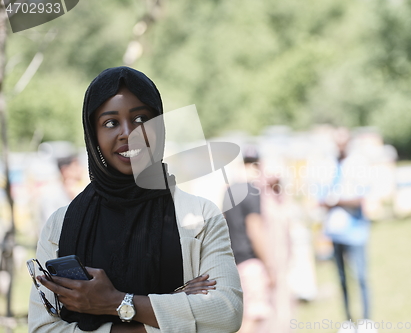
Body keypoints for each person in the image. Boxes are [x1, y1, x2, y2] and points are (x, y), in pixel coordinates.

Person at [28, 67, 243, 333]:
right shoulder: (61, 224)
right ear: (92, 134)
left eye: (141, 119)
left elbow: (225, 313)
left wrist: (114, 302)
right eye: (110, 123)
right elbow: (42, 328)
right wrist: (175, 308)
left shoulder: (199, 215)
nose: (128, 133)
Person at [318, 128, 373, 331]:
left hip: (356, 229)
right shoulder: (327, 164)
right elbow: (320, 197)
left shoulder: (358, 164)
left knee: (361, 276)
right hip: (335, 230)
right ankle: (348, 320)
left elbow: (360, 198)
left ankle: (367, 320)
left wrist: (337, 200)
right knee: (341, 278)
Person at [223, 148, 273, 333]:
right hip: (251, 262)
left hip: (234, 262)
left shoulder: (229, 191)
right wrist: (269, 267)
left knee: (241, 315)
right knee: (254, 316)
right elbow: (255, 231)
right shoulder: (252, 191)